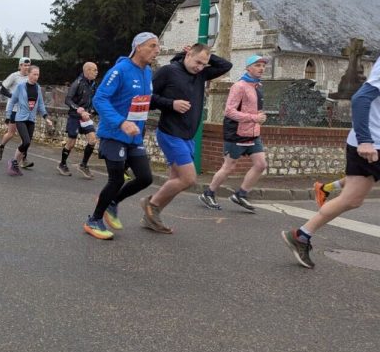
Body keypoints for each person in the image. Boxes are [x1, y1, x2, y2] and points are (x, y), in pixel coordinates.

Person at [282, 55, 380, 268]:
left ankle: (302, 235)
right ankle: (302, 234)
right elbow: (361, 98)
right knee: (351, 200)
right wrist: (365, 141)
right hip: (370, 143)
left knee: (352, 200)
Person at [144, 43, 232, 233]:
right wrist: (171, 104)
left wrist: (208, 57)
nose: (200, 67)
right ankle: (151, 205)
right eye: (197, 62)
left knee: (175, 181)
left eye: (204, 64)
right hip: (170, 133)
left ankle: (153, 217)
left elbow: (226, 66)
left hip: (188, 136)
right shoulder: (168, 71)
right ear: (188, 54)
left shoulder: (201, 74)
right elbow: (147, 98)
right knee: (189, 179)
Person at [83, 33, 161, 240]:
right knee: (116, 178)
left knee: (145, 177)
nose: (157, 50)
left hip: (134, 136)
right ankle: (94, 220)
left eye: (158, 47)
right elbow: (99, 99)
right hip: (114, 133)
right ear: (138, 47)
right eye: (152, 46)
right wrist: (121, 122)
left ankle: (113, 202)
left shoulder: (147, 72)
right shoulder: (120, 70)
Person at [199, 55, 269, 211]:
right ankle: (208, 193)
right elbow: (229, 112)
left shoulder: (258, 86)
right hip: (236, 133)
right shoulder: (239, 86)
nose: (261, 68)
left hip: (253, 133)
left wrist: (260, 117)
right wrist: (254, 117)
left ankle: (241, 195)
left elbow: (253, 110)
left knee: (261, 164)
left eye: (263, 66)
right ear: (248, 68)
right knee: (229, 167)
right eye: (257, 65)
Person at [6, 65, 53, 176]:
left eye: (38, 74)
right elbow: (12, 101)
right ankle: (13, 161)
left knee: (26, 144)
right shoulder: (20, 87)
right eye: (34, 74)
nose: (36, 77)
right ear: (29, 74)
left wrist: (46, 117)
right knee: (26, 141)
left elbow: (41, 104)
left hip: (31, 119)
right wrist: (8, 116)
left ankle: (15, 164)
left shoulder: (38, 88)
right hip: (20, 118)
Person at [58, 62, 99, 178]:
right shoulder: (77, 82)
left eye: (96, 70)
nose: (96, 72)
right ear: (87, 71)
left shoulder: (93, 84)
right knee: (71, 143)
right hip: (75, 117)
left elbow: (94, 100)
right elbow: (68, 100)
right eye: (94, 70)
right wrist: (79, 109)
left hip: (86, 118)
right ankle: (62, 164)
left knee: (93, 140)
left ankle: (83, 165)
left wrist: (93, 111)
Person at [0, 57, 32, 164]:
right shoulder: (14, 76)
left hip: (25, 110)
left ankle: (23, 159)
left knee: (25, 137)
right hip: (14, 109)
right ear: (20, 66)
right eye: (24, 65)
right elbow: (2, 90)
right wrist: (13, 96)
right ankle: (1, 146)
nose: (27, 67)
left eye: (28, 65)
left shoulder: (30, 77)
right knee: (11, 133)